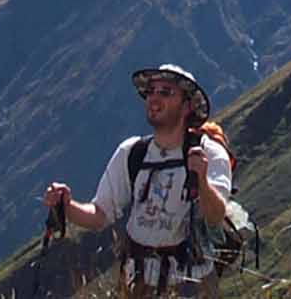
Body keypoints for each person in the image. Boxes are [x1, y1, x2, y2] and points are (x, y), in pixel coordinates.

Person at [42, 64, 233, 298]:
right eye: (151, 91)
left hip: (192, 283)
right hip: (138, 282)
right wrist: (67, 205)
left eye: (166, 92)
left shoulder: (209, 154)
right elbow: (99, 215)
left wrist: (202, 181)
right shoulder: (131, 153)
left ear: (187, 106)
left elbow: (215, 217)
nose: (154, 97)